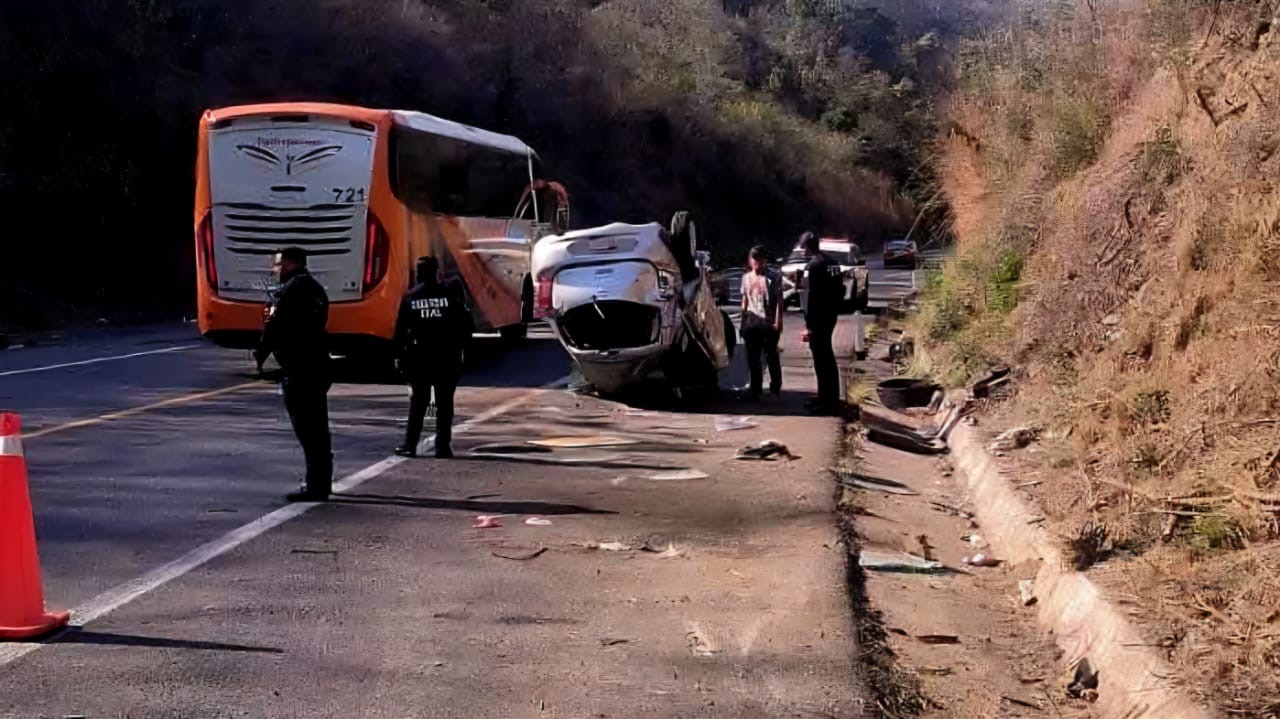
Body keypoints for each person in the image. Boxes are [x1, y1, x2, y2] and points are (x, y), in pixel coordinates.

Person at [255, 247, 333, 502]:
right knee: (318, 428)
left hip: (300, 369)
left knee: (307, 429)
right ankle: (322, 480)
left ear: (290, 264)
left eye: (279, 265)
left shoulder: (291, 291)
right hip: (317, 365)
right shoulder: (315, 288)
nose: (275, 270)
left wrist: (261, 353)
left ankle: (316, 486)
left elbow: (275, 327)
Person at [393, 256, 474, 459]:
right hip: (447, 357)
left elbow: (401, 332)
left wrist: (400, 357)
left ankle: (410, 445)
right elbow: (466, 327)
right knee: (444, 404)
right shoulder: (450, 295)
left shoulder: (410, 298)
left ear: (419, 274)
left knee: (418, 404)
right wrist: (462, 351)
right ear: (437, 272)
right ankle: (443, 447)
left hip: (419, 359)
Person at [799, 232, 844, 415]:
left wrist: (809, 325)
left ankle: (826, 401)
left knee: (821, 359)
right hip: (830, 316)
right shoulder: (833, 263)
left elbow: (810, 297)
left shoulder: (812, 267)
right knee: (827, 357)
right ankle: (829, 397)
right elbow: (840, 289)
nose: (801, 250)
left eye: (802, 247)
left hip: (817, 319)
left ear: (807, 247)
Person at [740, 245, 784, 399]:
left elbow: (779, 301)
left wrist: (778, 321)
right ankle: (755, 388)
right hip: (752, 321)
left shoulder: (773, 277)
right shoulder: (746, 278)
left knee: (771, 355)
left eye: (760, 260)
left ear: (764, 261)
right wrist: (743, 321)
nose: (757, 264)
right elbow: (744, 300)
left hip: (768, 321)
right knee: (753, 357)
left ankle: (775, 386)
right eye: (754, 260)